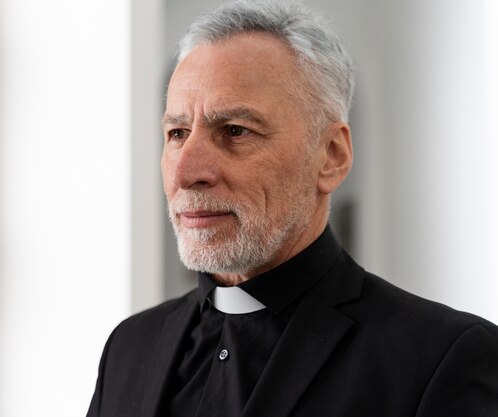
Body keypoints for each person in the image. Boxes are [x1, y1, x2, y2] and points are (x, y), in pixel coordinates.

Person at [87, 1, 498, 415]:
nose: (187, 172)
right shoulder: (128, 347)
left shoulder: (444, 358)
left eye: (234, 131)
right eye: (177, 133)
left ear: (331, 156)